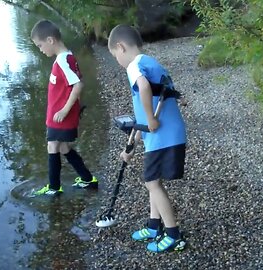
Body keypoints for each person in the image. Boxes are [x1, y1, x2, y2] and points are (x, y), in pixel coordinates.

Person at [107, 24, 187, 252]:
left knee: (151, 183)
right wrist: (133, 143)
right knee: (154, 181)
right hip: (168, 135)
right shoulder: (153, 64)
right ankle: (154, 227)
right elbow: (150, 103)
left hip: (163, 136)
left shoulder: (135, 66)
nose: (117, 61)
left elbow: (143, 88)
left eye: (114, 56)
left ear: (120, 47)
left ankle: (173, 234)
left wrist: (151, 119)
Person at [30, 19, 98, 196]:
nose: (41, 49)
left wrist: (65, 110)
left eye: (40, 45)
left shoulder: (63, 60)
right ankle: (88, 179)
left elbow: (78, 85)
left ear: (50, 40)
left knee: (52, 146)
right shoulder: (64, 57)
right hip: (59, 116)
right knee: (63, 148)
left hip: (61, 117)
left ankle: (54, 188)